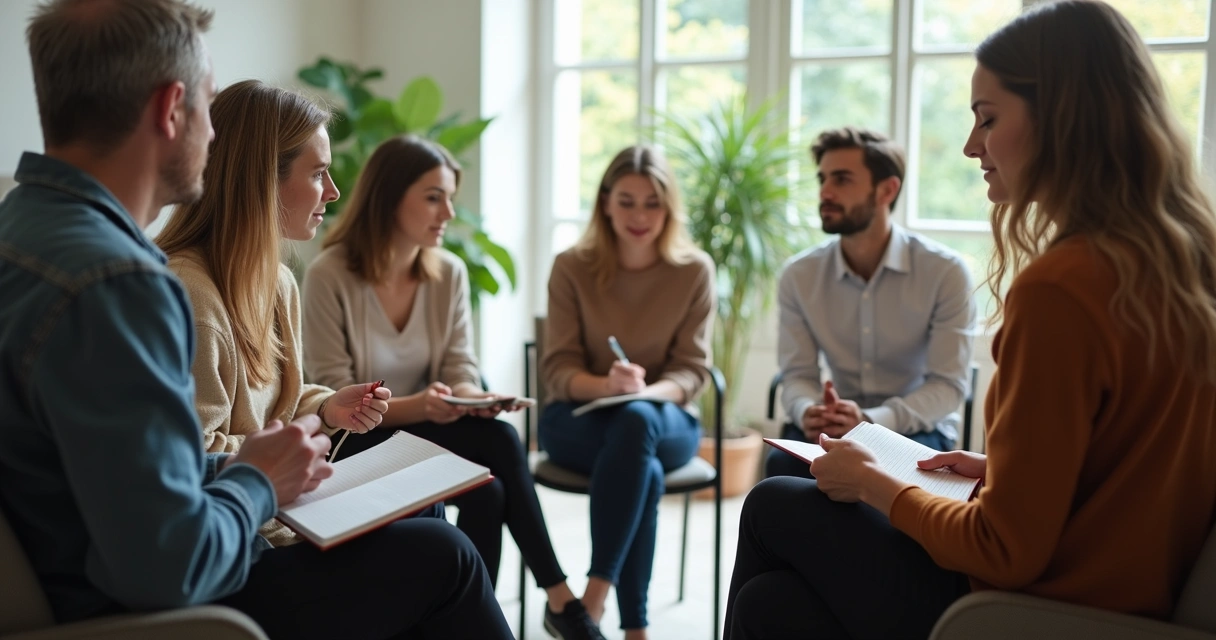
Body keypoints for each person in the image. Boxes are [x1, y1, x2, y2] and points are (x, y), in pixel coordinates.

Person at [0, 2, 511, 638]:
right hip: (149, 612)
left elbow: (145, 470)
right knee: (447, 559)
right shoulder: (122, 285)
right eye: (206, 110)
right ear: (170, 110)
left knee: (425, 529)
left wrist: (298, 433)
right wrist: (258, 480)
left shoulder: (22, 226)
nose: (213, 139)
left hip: (103, 572)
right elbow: (168, 565)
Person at [725, 2, 1216, 638]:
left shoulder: (1062, 289)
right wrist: (999, 470)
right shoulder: (1184, 258)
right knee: (774, 604)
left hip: (1040, 605)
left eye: (988, 118)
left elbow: (1003, 551)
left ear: (1061, 118)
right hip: (1126, 589)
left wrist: (877, 484)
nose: (970, 145)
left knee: (771, 504)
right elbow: (1132, 456)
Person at [302, 134, 605, 640]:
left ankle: (496, 614)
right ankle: (560, 604)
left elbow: (459, 363)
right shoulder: (329, 275)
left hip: (428, 422)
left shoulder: (449, 273)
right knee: (498, 468)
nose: (447, 212)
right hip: (356, 438)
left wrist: (469, 397)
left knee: (493, 479)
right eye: (433, 196)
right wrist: (423, 404)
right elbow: (335, 395)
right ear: (389, 196)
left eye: (450, 198)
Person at [155, 79, 398, 549]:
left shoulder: (279, 282)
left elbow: (275, 407)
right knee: (442, 555)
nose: (333, 191)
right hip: (245, 538)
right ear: (262, 180)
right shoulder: (189, 296)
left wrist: (327, 406)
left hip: (287, 513)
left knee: (426, 518)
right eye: (317, 174)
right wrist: (288, 454)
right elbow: (195, 456)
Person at [539, 145, 716, 640]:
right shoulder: (571, 266)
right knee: (646, 470)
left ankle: (590, 604)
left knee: (637, 423)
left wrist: (644, 392)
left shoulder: (693, 270)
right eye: (627, 201)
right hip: (578, 419)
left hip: (665, 420)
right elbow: (557, 368)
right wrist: (607, 385)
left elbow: (693, 371)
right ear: (606, 203)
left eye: (653, 203)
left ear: (669, 208)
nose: (640, 215)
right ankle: (635, 627)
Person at [766, 127, 976, 480]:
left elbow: (947, 386)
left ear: (887, 189)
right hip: (835, 429)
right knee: (778, 476)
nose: (825, 192)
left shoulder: (944, 272)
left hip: (916, 431)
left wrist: (870, 421)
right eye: (823, 179)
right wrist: (807, 410)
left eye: (842, 179)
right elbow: (798, 375)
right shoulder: (799, 276)